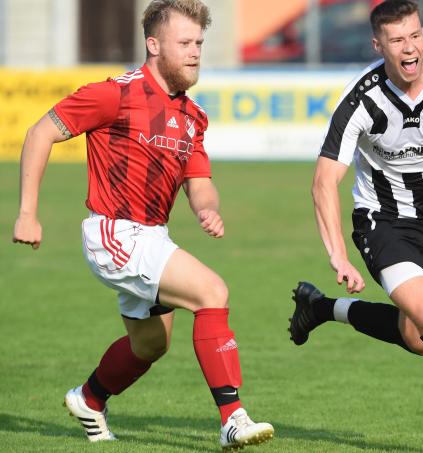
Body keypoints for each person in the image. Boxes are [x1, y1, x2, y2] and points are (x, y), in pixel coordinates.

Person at [12, 1, 273, 450]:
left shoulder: (192, 117)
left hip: (152, 236)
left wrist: (207, 208)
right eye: (185, 43)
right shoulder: (115, 93)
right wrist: (27, 213)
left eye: (199, 44)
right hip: (115, 232)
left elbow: (201, 183)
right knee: (213, 292)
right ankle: (233, 417)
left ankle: (89, 398)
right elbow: (40, 133)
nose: (195, 53)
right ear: (154, 45)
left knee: (151, 345)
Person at [288, 1, 423, 452]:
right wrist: (337, 254)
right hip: (382, 223)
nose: (409, 49)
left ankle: (321, 308)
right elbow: (324, 181)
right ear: (378, 45)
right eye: (396, 40)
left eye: (414, 36)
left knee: (419, 338)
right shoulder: (361, 100)